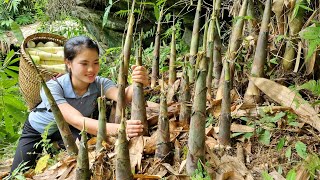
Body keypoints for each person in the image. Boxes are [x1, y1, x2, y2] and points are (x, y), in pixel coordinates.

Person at [11, 36, 148, 172]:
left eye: (95, 62)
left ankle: (55, 147)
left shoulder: (99, 83)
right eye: (84, 63)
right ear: (68, 63)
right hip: (38, 130)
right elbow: (76, 120)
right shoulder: (53, 87)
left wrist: (138, 81)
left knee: (87, 153)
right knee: (17, 172)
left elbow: (123, 97)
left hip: (70, 130)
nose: (91, 69)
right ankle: (50, 147)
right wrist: (120, 129)